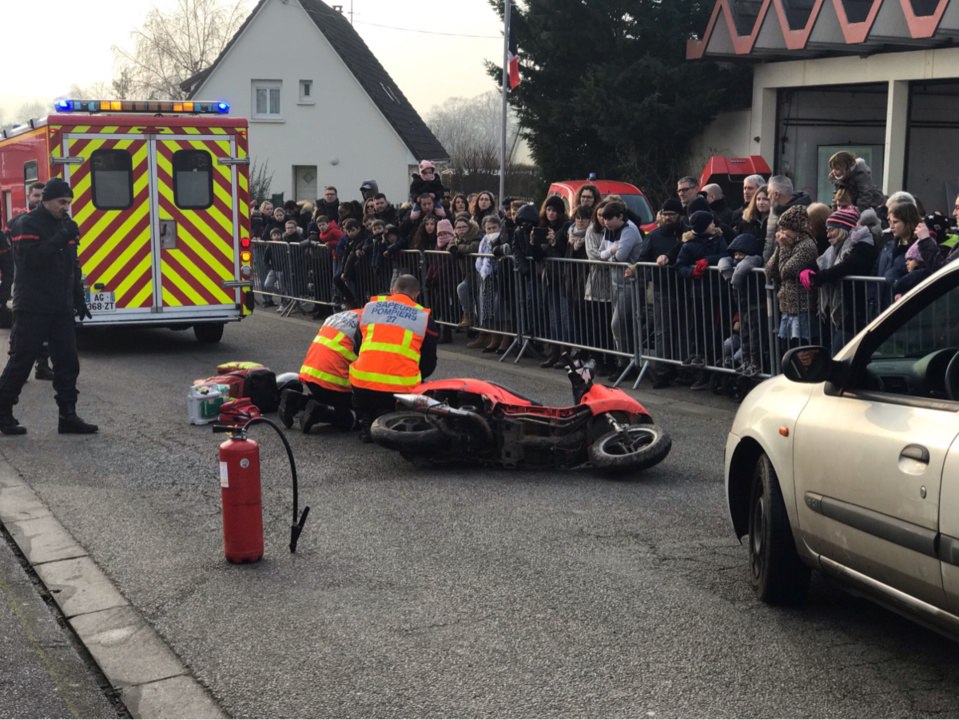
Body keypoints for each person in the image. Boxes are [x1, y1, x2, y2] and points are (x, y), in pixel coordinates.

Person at [0, 177, 97, 435]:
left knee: (67, 362)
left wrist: (78, 296)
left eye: (68, 202)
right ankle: (3, 412)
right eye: (61, 202)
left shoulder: (64, 224)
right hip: (32, 306)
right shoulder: (26, 224)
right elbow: (32, 261)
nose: (66, 207)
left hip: (61, 307)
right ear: (46, 201)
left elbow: (72, 264)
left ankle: (68, 416)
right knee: (21, 362)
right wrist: (62, 236)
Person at [349, 274, 438, 442]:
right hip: (398, 389)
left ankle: (366, 421)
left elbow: (356, 347)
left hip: (361, 384)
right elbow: (429, 362)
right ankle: (384, 415)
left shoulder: (370, 308)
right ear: (416, 294)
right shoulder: (424, 318)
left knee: (363, 392)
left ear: (391, 291)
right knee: (395, 399)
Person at [799, 206, 877, 352]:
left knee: (839, 355)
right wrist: (807, 269)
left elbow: (846, 267)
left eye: (831, 230)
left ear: (843, 228)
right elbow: (819, 261)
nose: (828, 235)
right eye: (827, 230)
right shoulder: (835, 247)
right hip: (843, 313)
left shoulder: (862, 246)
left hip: (854, 312)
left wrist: (817, 278)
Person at [278, 309, 362, 433]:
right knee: (364, 416)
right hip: (335, 383)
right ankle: (324, 412)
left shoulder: (344, 315)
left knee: (327, 397)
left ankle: (296, 400)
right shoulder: (372, 326)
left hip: (311, 377)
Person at [7, 181, 53, 379]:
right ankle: (17, 371)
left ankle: (42, 366)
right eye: (36, 196)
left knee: (45, 330)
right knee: (20, 332)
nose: (39, 200)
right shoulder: (16, 222)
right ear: (28, 198)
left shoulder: (53, 222)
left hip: (46, 286)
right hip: (24, 286)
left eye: (43, 196)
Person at [764, 204, 819, 354]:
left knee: (802, 351)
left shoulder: (807, 246)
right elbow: (770, 270)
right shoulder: (787, 244)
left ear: (795, 229)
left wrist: (784, 247)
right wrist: (780, 248)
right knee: (786, 350)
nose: (781, 233)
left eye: (784, 229)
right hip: (787, 307)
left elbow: (786, 271)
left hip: (802, 307)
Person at [717, 233, 765, 377]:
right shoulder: (733, 263)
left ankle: (755, 363)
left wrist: (735, 278)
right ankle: (746, 360)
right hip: (743, 306)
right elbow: (723, 261)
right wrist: (728, 274)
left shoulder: (754, 260)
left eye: (741, 254)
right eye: (735, 254)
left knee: (755, 337)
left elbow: (748, 263)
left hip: (756, 305)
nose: (737, 258)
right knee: (744, 337)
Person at [763, 175, 812, 262]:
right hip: (770, 267)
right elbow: (768, 241)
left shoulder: (801, 212)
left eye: (768, 192)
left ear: (776, 194)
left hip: (791, 266)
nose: (767, 197)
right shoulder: (773, 211)